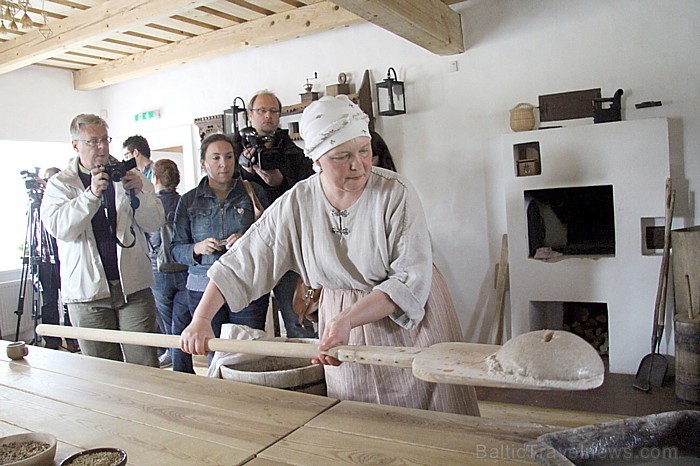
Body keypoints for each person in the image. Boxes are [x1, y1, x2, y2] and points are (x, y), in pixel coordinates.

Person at [181, 96, 479, 415]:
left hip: (409, 315)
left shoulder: (396, 193)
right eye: (342, 156)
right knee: (360, 419)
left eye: (364, 151)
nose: (358, 165)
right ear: (317, 160)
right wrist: (200, 319)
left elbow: (408, 278)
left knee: (432, 418)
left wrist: (347, 318)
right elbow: (244, 261)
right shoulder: (297, 203)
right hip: (340, 322)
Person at [41, 114, 164, 366]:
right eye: (93, 141)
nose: (102, 147)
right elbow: (61, 229)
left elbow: (154, 223)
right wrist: (90, 196)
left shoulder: (128, 175)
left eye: (105, 140)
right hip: (88, 295)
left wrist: (140, 190)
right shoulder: (59, 185)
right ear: (76, 145)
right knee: (102, 371)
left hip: (133, 287)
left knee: (146, 367)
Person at [171, 133, 271, 374]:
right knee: (213, 351)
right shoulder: (188, 200)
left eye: (228, 157)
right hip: (202, 286)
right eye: (215, 158)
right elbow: (175, 250)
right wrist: (197, 248)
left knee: (247, 351)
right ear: (203, 163)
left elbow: (272, 238)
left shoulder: (254, 192)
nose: (223, 163)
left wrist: (245, 240)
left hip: (247, 284)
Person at [233, 90, 317, 338]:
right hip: (249, 244)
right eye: (261, 111)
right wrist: (244, 169)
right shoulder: (233, 150)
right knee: (247, 326)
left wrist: (280, 181)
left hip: (287, 243)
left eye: (273, 111)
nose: (267, 116)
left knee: (298, 318)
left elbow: (309, 193)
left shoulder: (294, 152)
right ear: (250, 115)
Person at [148, 159, 189, 368]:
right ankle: (182, 360)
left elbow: (148, 237)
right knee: (181, 319)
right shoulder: (185, 201)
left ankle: (172, 355)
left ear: (155, 178)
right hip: (185, 267)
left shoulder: (152, 204)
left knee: (165, 318)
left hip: (159, 269)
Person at [37, 167, 79, 352]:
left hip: (64, 259)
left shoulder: (67, 201)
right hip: (45, 260)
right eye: (46, 180)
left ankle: (73, 338)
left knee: (69, 302)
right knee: (49, 301)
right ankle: (51, 340)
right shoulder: (38, 205)